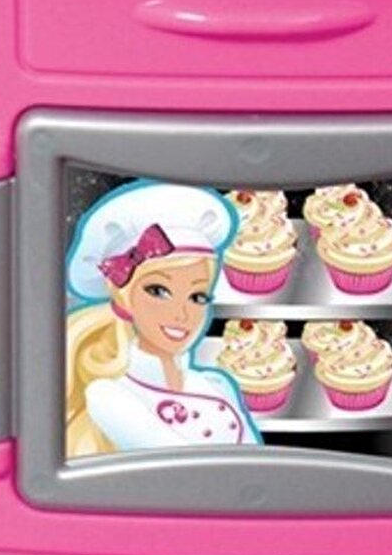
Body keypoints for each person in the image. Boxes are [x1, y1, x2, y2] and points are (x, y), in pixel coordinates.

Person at [65, 180, 262, 457]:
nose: (182, 314)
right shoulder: (109, 395)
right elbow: (185, 468)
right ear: (124, 298)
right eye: (158, 291)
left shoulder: (216, 386)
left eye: (197, 297)